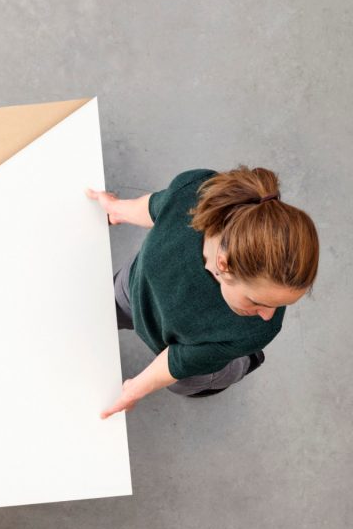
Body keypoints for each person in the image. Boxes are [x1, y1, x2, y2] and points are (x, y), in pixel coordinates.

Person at [86, 165, 319, 418]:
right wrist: (117, 209)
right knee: (103, 309)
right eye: (258, 301)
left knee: (188, 384)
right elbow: (157, 208)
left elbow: (178, 360)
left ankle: (241, 362)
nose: (267, 316)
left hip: (193, 354)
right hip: (136, 288)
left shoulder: (257, 329)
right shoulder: (200, 192)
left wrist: (134, 389)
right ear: (224, 265)